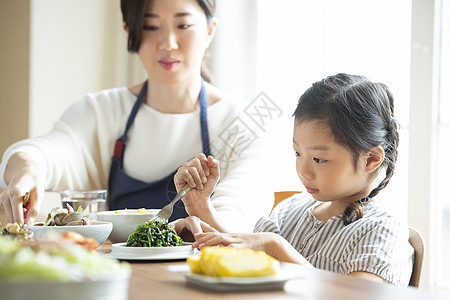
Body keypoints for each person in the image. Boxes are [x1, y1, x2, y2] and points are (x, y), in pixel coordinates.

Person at [0, 0, 272, 231]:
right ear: (129, 30)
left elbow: (235, 224)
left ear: (210, 30)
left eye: (183, 25)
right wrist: (28, 169)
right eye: (150, 26)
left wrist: (202, 210)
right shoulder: (102, 110)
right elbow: (47, 152)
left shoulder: (245, 122)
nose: (168, 43)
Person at [172, 73, 414, 287]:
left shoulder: (382, 229)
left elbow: (353, 296)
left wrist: (276, 246)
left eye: (319, 159)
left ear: (371, 159)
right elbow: (244, 247)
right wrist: (200, 205)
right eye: (298, 153)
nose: (303, 171)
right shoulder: (292, 210)